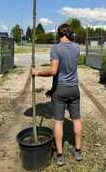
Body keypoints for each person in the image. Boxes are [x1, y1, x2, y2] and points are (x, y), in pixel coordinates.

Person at [31, 23, 82, 166]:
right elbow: (63, 72)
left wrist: (37, 72)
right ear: (70, 33)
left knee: (58, 121)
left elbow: (54, 71)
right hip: (74, 89)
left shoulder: (56, 49)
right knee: (76, 119)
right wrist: (51, 89)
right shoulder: (77, 48)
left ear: (59, 34)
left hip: (61, 90)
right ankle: (78, 151)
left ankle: (60, 156)